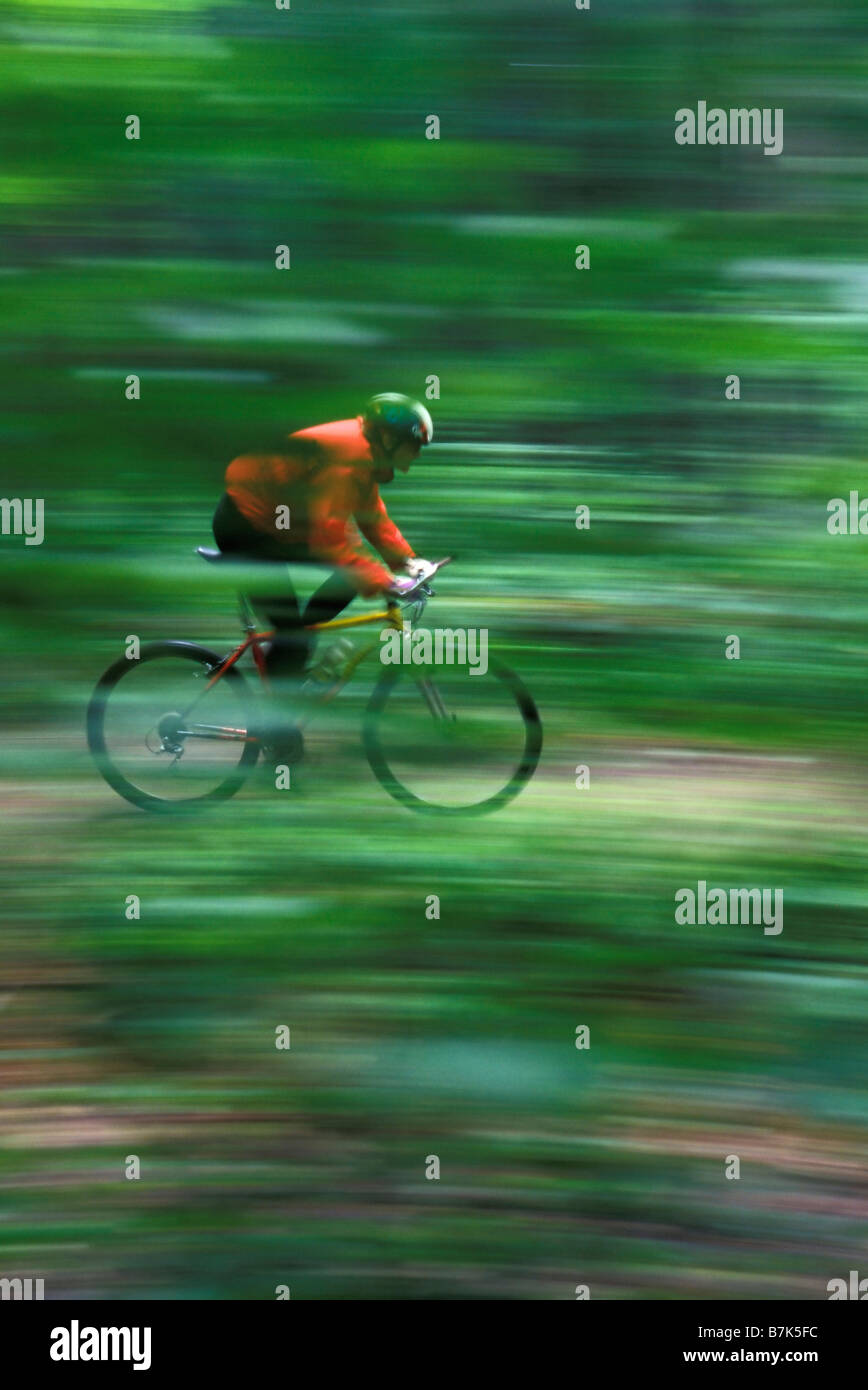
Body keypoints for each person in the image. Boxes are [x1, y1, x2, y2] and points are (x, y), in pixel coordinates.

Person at [211, 393, 435, 759]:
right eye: (415, 446)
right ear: (391, 440)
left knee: (327, 602)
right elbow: (329, 542)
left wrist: (407, 562)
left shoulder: (364, 452)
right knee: (295, 632)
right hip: (246, 527)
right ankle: (278, 726)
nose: (417, 455)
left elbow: (371, 514)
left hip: (277, 527)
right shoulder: (349, 456)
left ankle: (291, 660)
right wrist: (385, 580)